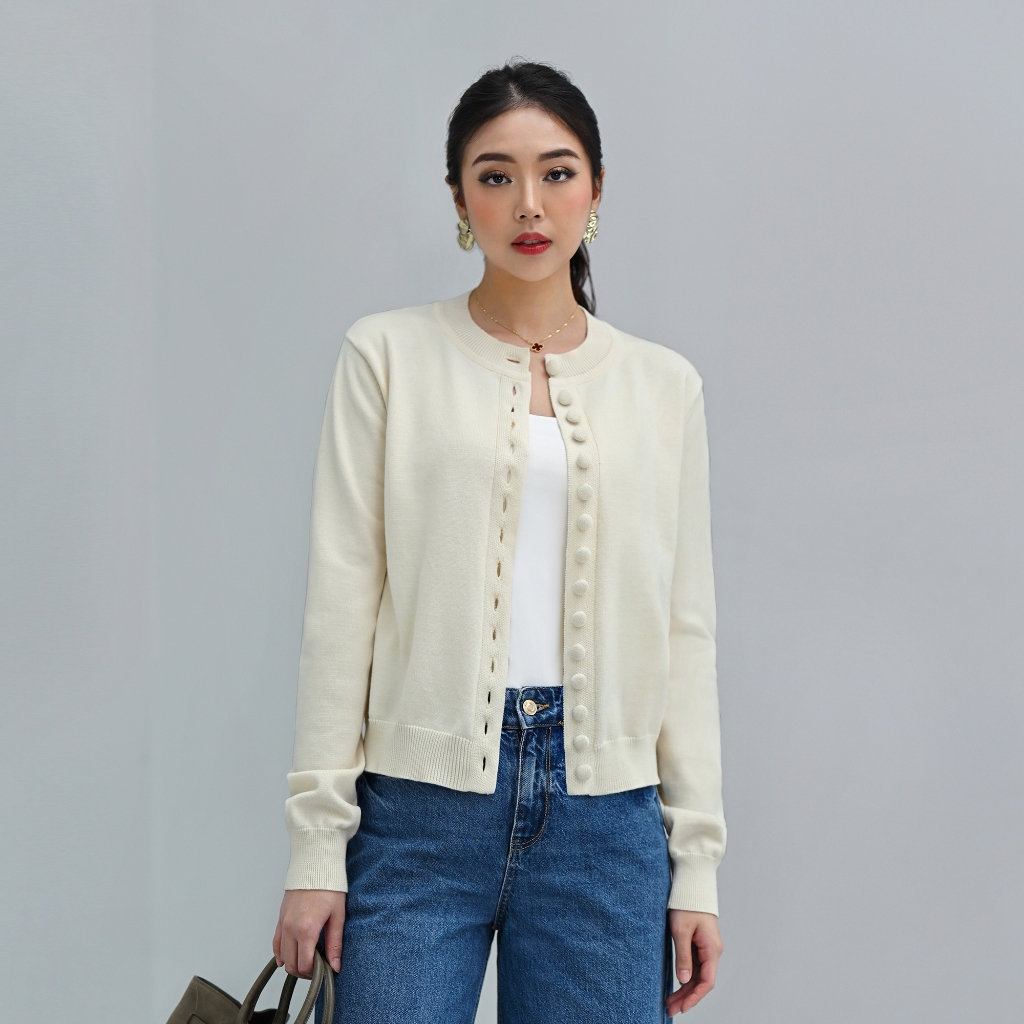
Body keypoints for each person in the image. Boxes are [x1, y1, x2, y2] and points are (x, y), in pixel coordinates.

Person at [272, 59, 726, 1022]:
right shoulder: (386, 355)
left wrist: (698, 865)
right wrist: (316, 852)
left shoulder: (665, 386)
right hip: (417, 813)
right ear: (457, 198)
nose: (529, 203)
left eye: (557, 172)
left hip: (608, 826)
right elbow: (341, 606)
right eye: (495, 175)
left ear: (596, 189)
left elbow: (684, 631)